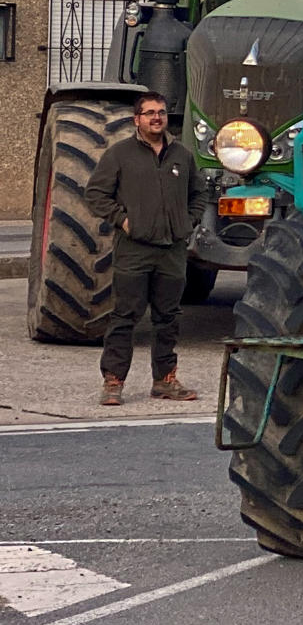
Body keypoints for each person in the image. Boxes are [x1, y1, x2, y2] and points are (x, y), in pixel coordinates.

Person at [83, 91, 212, 406]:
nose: (157, 118)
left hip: (172, 251)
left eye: (162, 112)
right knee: (124, 317)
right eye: (150, 112)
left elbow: (199, 194)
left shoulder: (182, 155)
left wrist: (187, 222)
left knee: (168, 318)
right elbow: (96, 194)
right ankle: (113, 382)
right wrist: (124, 222)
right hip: (134, 251)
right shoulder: (119, 155)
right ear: (136, 119)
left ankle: (165, 381)